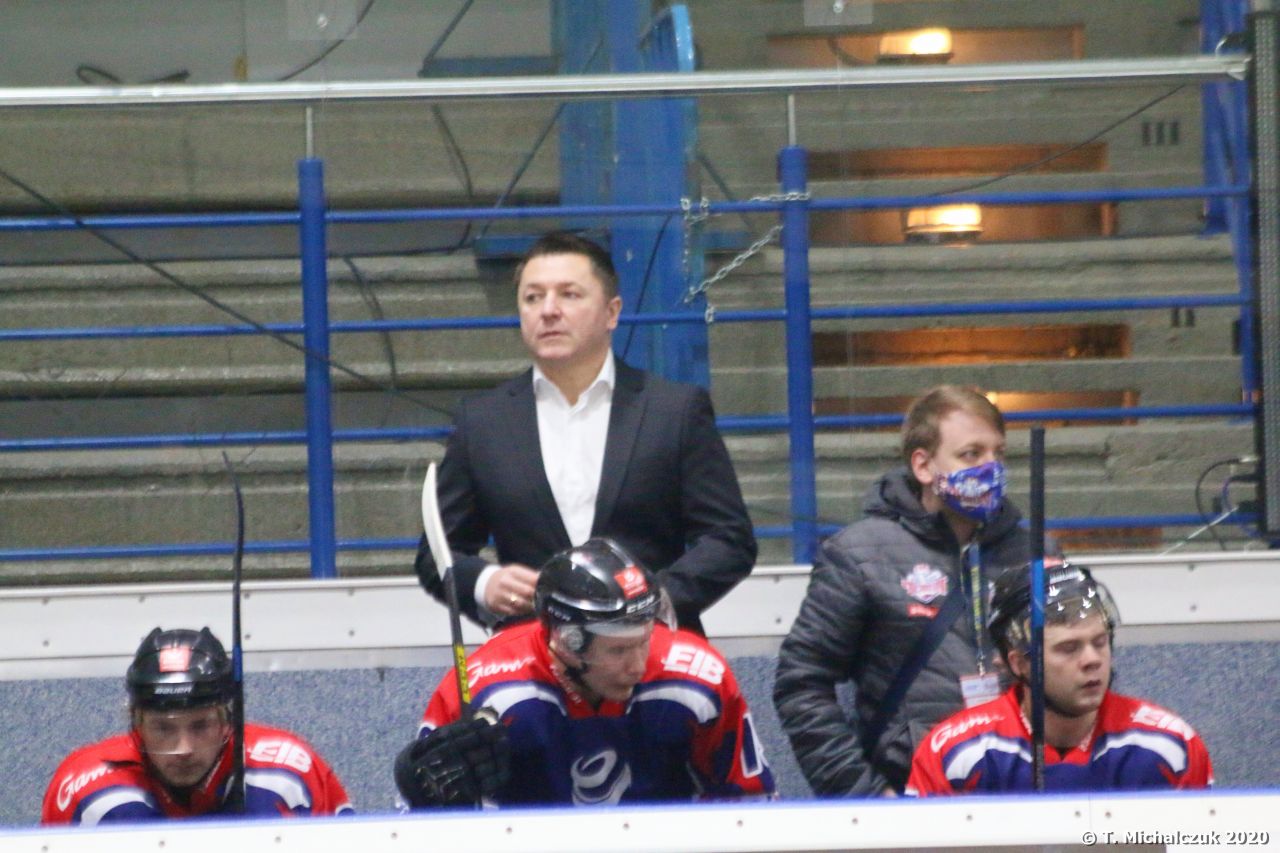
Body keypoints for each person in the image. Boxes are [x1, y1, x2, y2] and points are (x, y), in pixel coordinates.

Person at [413, 230, 755, 634]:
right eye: (533, 297)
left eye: (569, 294)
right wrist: (485, 584)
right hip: (532, 652)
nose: (548, 310)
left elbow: (728, 539)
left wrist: (656, 600)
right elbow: (437, 552)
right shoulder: (482, 421)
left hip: (652, 650)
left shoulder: (674, 410)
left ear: (612, 312)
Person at [773, 385, 1040, 797]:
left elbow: (1081, 670)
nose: (991, 468)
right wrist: (865, 795)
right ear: (923, 466)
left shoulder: (1035, 553)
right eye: (971, 454)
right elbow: (801, 683)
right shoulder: (860, 555)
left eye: (998, 453)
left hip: (1023, 792)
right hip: (910, 793)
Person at [395, 538, 775, 807]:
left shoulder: (699, 676)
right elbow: (416, 823)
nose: (638, 664)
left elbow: (752, 805)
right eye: (619, 650)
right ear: (566, 642)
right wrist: (429, 793)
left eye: (644, 640)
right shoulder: (485, 686)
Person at [906, 562, 1213, 794]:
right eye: (1068, 648)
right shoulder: (953, 753)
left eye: (1100, 642)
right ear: (1019, 663)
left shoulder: (1172, 745)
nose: (1092, 660)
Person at [42, 627, 352, 825]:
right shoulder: (84, 789)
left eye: (200, 726)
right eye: (163, 729)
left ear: (228, 721)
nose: (184, 749)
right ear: (136, 723)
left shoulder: (290, 773)